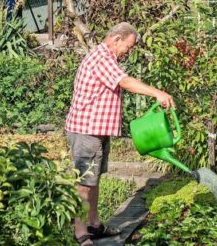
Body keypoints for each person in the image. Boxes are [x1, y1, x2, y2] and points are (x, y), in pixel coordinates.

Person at [65, 22, 175, 245]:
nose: (129, 51)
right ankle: (80, 232)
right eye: (129, 46)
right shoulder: (102, 58)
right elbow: (124, 81)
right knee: (84, 182)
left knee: (93, 180)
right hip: (86, 130)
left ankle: (94, 225)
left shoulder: (106, 56)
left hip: (95, 130)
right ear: (116, 39)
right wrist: (157, 93)